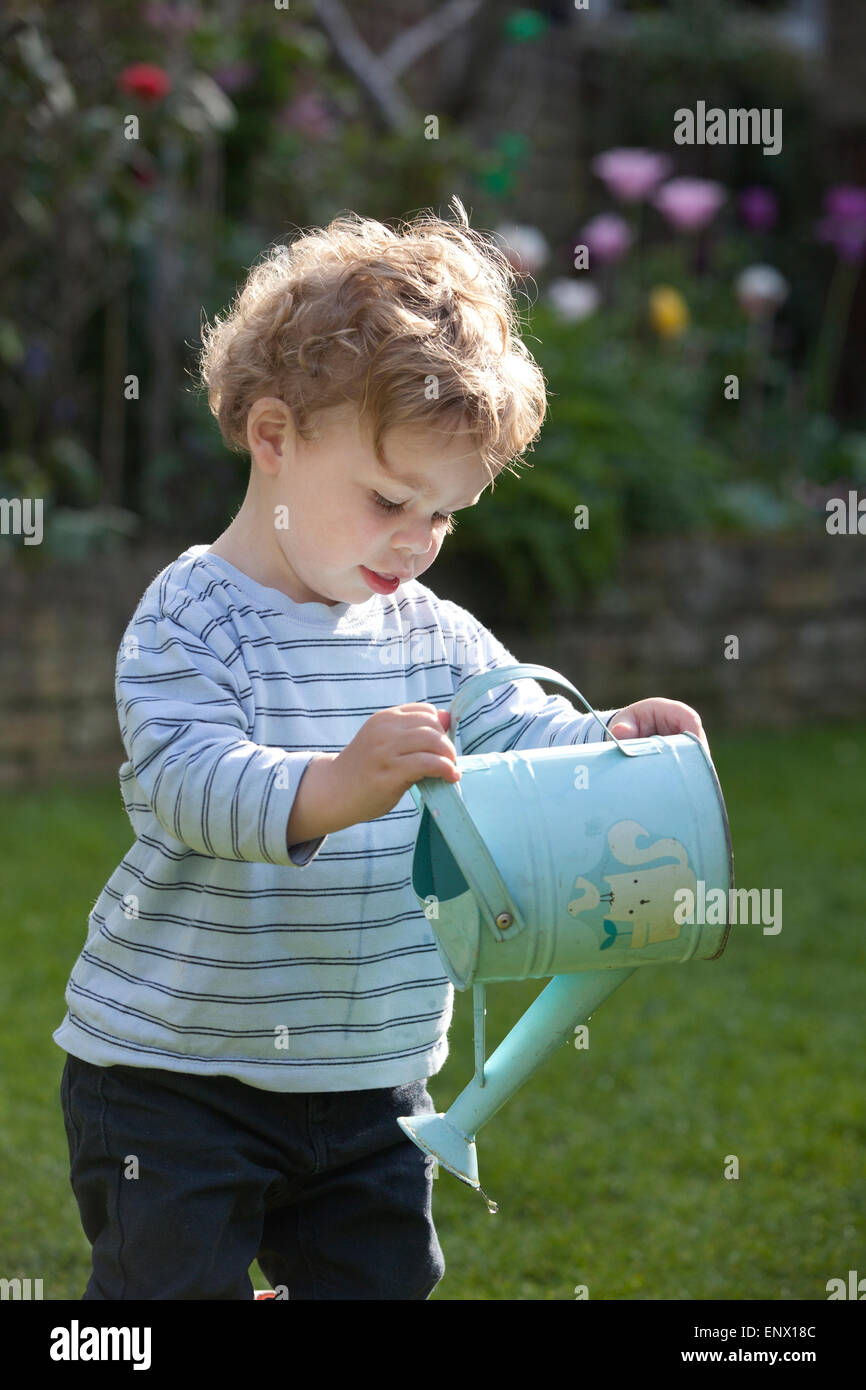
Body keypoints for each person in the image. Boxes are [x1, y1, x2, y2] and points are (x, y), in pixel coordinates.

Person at [54, 196, 709, 1300]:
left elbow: (512, 737)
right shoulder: (192, 614)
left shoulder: (431, 631)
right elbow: (180, 780)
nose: (415, 541)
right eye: (389, 499)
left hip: (374, 1081)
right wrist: (330, 785)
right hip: (175, 1079)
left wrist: (604, 738)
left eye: (444, 516)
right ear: (274, 438)